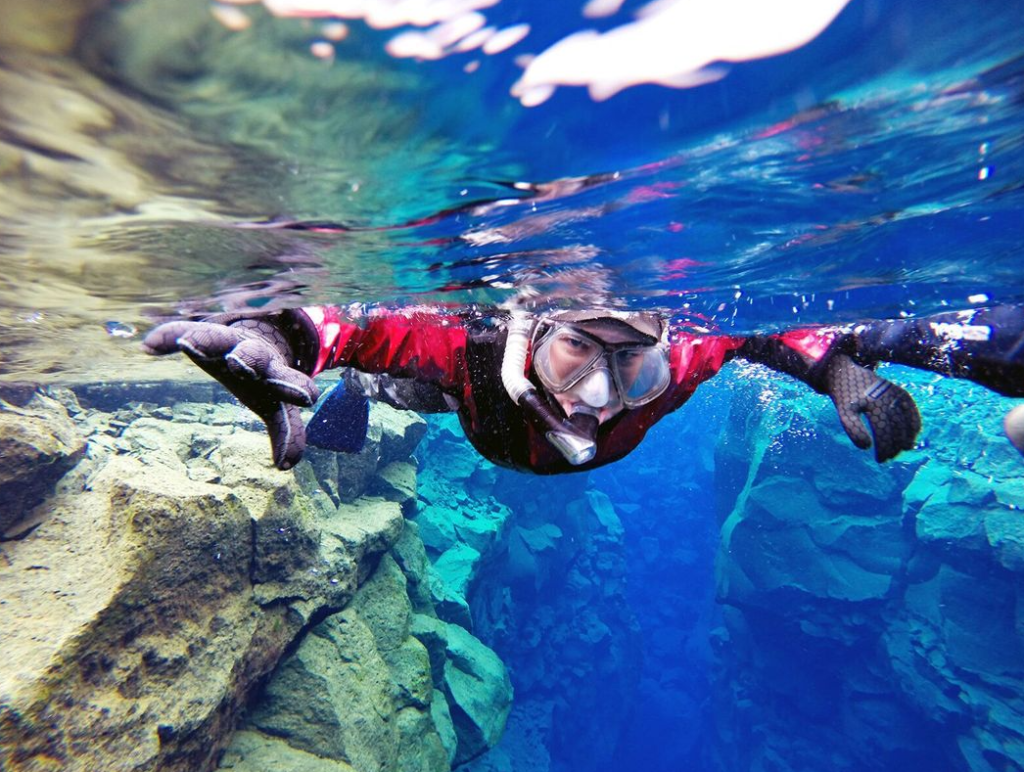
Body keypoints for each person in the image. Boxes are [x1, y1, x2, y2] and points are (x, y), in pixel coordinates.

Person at [142, 304, 1024, 474]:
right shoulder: (469, 340)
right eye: (576, 352)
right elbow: (356, 325)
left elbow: (765, 333)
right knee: (404, 382)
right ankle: (368, 403)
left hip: (497, 425)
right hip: (466, 401)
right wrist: (282, 336)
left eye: (631, 362)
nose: (601, 393)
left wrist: (840, 371)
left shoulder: (685, 357)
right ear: (529, 328)